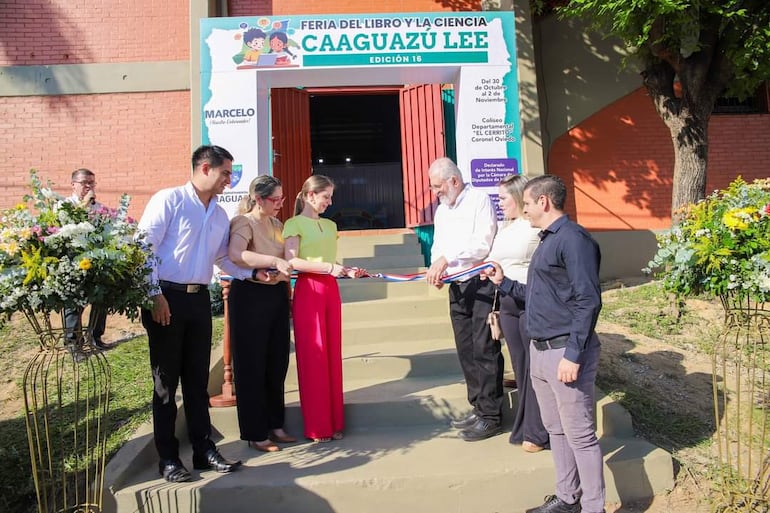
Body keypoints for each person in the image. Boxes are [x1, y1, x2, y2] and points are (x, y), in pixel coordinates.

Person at [138, 145, 266, 483]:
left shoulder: (220, 215)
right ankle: (168, 459)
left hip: (197, 302)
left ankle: (204, 451)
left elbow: (223, 260)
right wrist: (154, 294)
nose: (229, 180)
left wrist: (252, 274)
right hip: (165, 298)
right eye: (226, 173)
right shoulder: (170, 200)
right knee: (166, 384)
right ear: (205, 167)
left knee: (196, 383)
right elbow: (142, 247)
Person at [484, 174, 605, 513]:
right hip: (541, 351)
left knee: (579, 434)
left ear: (544, 202)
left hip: (565, 352)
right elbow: (538, 298)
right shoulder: (547, 241)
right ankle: (568, 499)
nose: (523, 210)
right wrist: (503, 283)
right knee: (557, 430)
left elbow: (588, 301)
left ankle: (594, 507)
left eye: (526, 204)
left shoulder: (574, 240)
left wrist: (573, 353)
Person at [425, 157, 502, 442]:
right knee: (465, 349)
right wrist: (437, 269)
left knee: (484, 349)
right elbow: (438, 245)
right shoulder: (443, 210)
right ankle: (478, 406)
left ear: (453, 181)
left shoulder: (479, 200)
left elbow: (482, 242)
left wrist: (448, 259)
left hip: (480, 284)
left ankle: (491, 415)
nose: (435, 192)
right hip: (456, 287)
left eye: (437, 187)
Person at [283, 175, 363, 443]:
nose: (330, 202)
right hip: (308, 291)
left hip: (330, 290)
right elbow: (293, 261)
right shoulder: (293, 224)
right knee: (314, 357)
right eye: (325, 196)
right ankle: (318, 427)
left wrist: (346, 270)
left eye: (330, 196)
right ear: (309, 196)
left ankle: (334, 422)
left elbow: (328, 259)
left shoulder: (330, 225)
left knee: (331, 354)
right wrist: (329, 268)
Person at [228, 175, 295, 453]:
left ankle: (276, 423)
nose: (280, 204)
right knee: (252, 365)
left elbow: (287, 258)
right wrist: (273, 261)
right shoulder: (244, 222)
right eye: (274, 199)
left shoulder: (278, 224)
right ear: (258, 199)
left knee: (277, 361)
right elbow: (236, 254)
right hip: (251, 297)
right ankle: (256, 432)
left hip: (276, 296)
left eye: (282, 198)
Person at [487, 173, 550, 453]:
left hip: (529, 300)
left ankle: (538, 431)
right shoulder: (506, 228)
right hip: (508, 303)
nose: (499, 203)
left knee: (532, 369)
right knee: (521, 366)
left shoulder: (534, 228)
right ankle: (526, 425)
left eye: (502, 197)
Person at [64, 168, 109, 350]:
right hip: (73, 262)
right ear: (73, 184)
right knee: (74, 303)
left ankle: (95, 337)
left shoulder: (98, 208)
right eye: (85, 183)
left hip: (95, 260)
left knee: (101, 300)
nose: (89, 187)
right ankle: (74, 344)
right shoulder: (64, 206)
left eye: (92, 183)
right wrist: (84, 204)